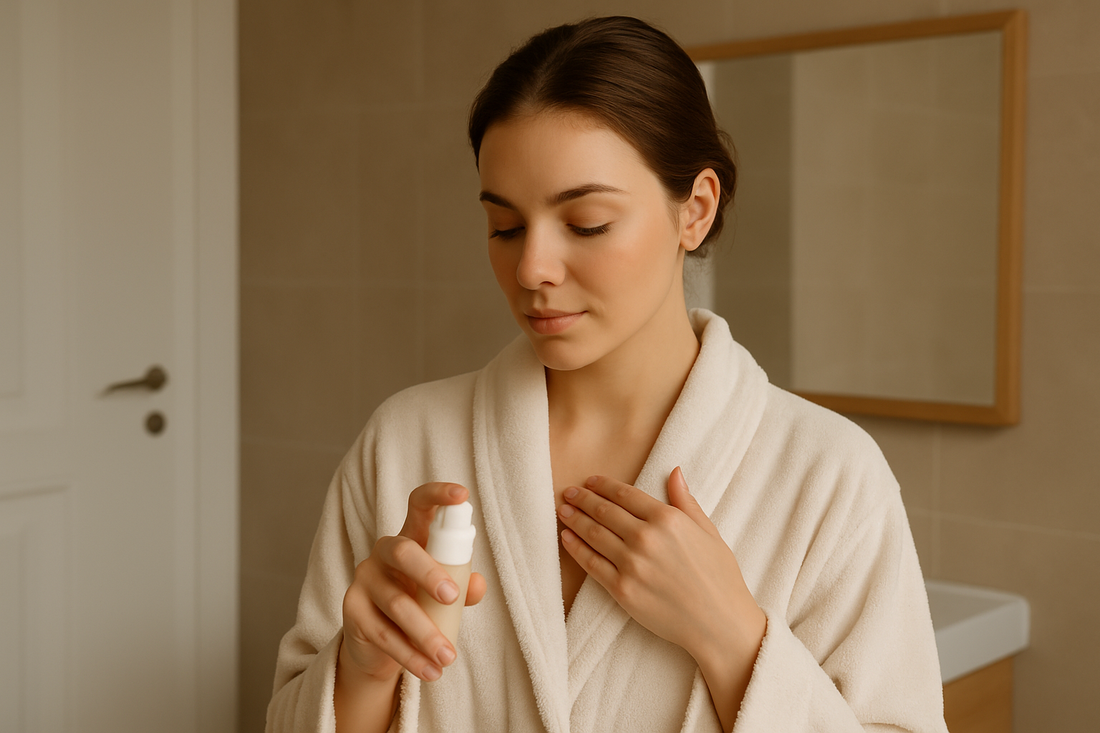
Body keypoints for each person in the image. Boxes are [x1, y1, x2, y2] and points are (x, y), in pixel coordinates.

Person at [266, 16, 948, 733]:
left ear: (695, 210)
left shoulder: (830, 476)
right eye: (504, 227)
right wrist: (363, 667)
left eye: (586, 223)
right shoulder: (406, 442)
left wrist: (732, 638)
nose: (532, 268)